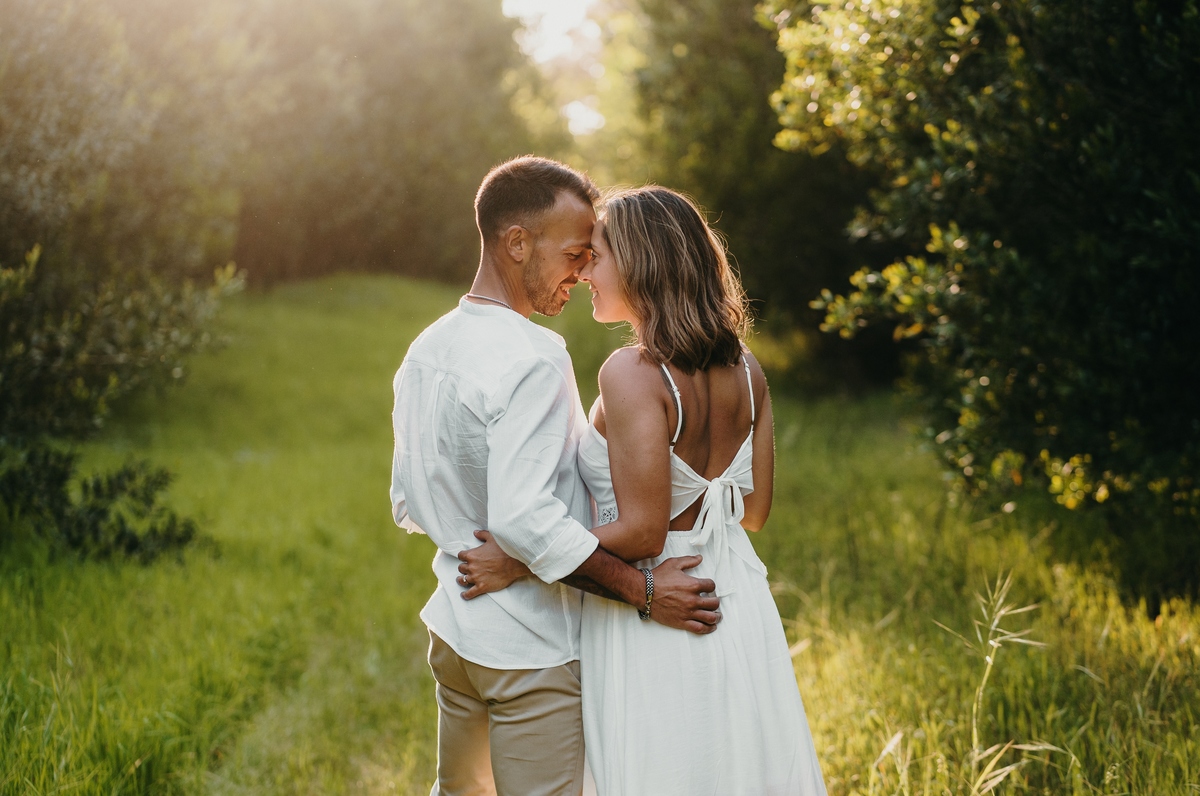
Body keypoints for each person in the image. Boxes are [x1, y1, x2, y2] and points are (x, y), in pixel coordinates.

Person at [458, 186, 828, 795]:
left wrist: (521, 555)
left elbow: (642, 531)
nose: (583, 274)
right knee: (742, 770)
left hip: (655, 611)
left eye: (595, 257)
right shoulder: (747, 367)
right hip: (736, 598)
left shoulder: (632, 373)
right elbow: (755, 512)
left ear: (639, 263)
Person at [390, 158, 723, 796]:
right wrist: (642, 590)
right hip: (530, 651)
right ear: (518, 243)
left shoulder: (427, 350)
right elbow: (522, 518)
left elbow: (408, 498)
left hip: (457, 636)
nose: (583, 270)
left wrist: (468, 539)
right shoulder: (533, 357)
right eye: (574, 253)